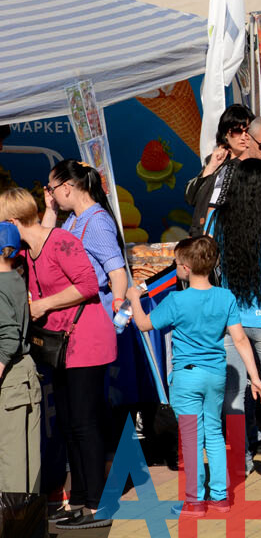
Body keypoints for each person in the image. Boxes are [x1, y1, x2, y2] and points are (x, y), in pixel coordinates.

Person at [127, 237, 261, 517]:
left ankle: (194, 500)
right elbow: (239, 340)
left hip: (187, 378)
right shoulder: (226, 297)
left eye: (176, 263)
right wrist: (255, 376)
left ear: (186, 268)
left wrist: (133, 300)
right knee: (214, 433)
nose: (175, 267)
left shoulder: (177, 300)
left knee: (191, 438)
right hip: (215, 375)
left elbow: (143, 324)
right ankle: (221, 497)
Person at [4, 182, 115, 526]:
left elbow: (87, 285)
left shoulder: (62, 242)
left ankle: (99, 504)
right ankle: (79, 500)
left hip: (87, 341)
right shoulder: (26, 251)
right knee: (69, 424)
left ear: (13, 221)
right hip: (60, 347)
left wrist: (43, 305)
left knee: (84, 424)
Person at [204, 158, 261, 476]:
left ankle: (241, 460)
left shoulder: (216, 222)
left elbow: (206, 266)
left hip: (230, 320)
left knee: (235, 390)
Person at [41, 161, 126, 322]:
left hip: (91, 313)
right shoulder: (74, 217)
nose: (50, 194)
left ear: (66, 188)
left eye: (51, 189)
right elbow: (44, 244)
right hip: (72, 311)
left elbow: (116, 271)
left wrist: (119, 302)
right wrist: (50, 209)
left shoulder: (97, 222)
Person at [0, 204, 41, 496]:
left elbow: (7, 338)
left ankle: (14, 527)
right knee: (29, 458)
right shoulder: (17, 278)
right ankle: (30, 524)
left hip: (11, 376)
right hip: (26, 372)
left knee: (12, 460)